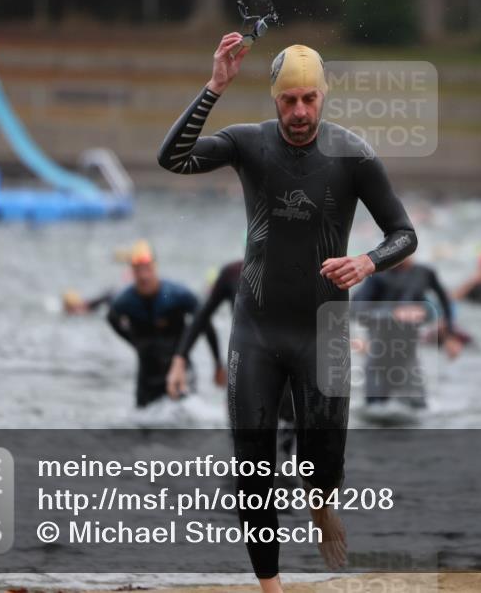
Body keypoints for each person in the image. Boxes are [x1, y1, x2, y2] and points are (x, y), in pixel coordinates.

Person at [157, 36, 417, 590]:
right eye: (288, 101)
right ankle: (271, 588)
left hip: (324, 334)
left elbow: (404, 233)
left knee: (323, 467)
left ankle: (321, 504)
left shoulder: (354, 155)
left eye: (309, 99)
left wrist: (368, 262)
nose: (299, 112)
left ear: (323, 97)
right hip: (256, 329)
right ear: (275, 101)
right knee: (252, 466)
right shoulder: (249, 144)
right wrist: (214, 88)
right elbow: (172, 158)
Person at [173, 259, 296, 457]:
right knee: (242, 454)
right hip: (244, 375)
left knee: (284, 453)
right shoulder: (232, 273)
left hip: (285, 376)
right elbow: (202, 316)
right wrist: (179, 360)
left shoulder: (295, 271)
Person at [106, 241, 221, 407]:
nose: (144, 276)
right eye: (138, 271)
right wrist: (134, 341)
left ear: (155, 267)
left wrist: (217, 362)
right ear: (132, 272)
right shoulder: (125, 300)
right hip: (148, 376)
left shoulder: (177, 295)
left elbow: (204, 322)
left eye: (147, 269)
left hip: (179, 370)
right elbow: (111, 318)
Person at [352, 255, 465, 408]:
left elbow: (445, 302)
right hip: (380, 352)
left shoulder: (424, 273)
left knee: (418, 408)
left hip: (408, 352)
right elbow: (356, 308)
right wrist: (394, 313)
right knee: (375, 409)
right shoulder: (378, 276)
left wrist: (450, 336)